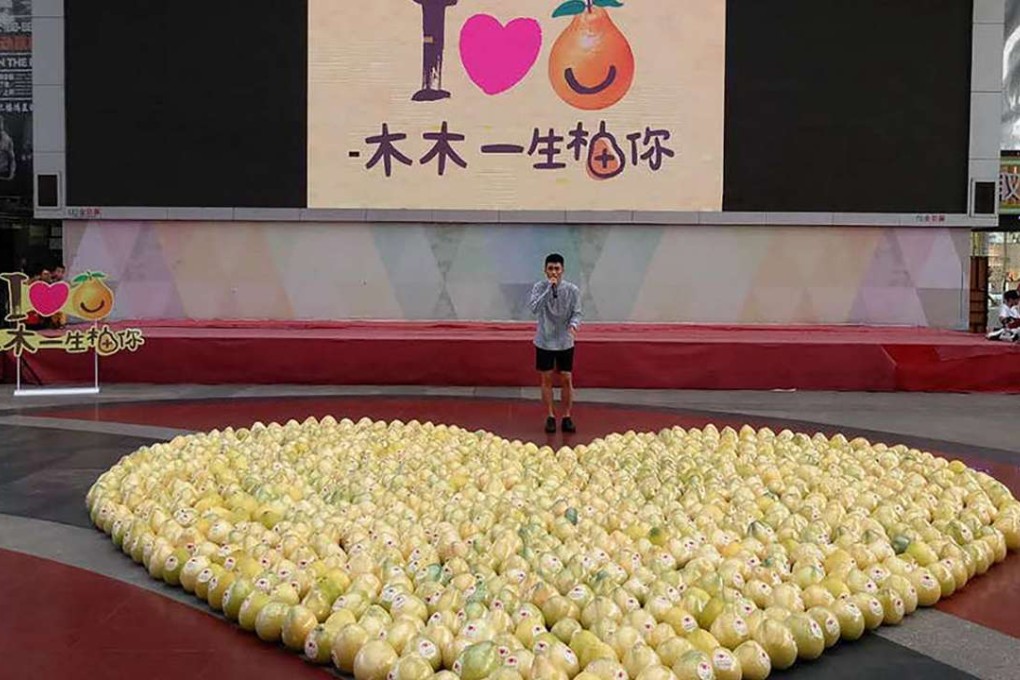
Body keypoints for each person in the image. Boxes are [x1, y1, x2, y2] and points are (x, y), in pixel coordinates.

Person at [529, 253, 582, 434]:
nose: (554, 272)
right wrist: (548, 290)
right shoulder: (539, 287)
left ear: (563, 270)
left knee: (566, 378)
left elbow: (577, 312)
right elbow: (534, 308)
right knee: (546, 378)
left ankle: (567, 416)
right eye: (550, 268)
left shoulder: (572, 290)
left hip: (565, 341)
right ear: (545, 270)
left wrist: (574, 326)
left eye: (557, 269)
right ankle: (550, 416)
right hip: (544, 340)